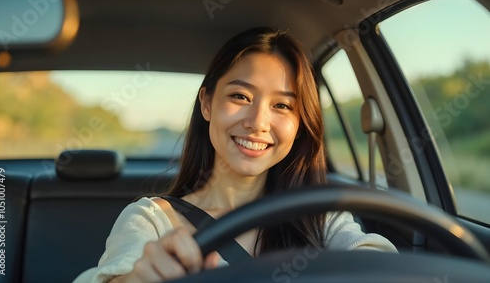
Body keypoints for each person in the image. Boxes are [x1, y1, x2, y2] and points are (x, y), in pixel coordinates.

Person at [73, 27, 397, 283]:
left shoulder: (318, 216)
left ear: (300, 124)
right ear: (207, 104)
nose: (257, 122)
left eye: (282, 105)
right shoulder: (151, 221)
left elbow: (378, 263)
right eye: (240, 96)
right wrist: (136, 279)